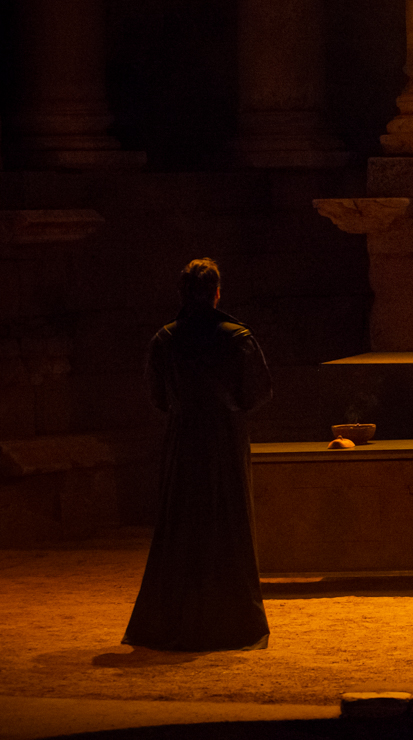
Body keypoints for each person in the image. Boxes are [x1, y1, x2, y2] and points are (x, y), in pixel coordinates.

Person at [123, 258, 273, 651]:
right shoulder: (237, 337)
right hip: (222, 439)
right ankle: (232, 624)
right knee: (226, 524)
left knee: (182, 526)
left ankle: (173, 622)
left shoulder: (166, 339)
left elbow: (157, 398)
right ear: (217, 292)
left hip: (184, 439)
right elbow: (257, 391)